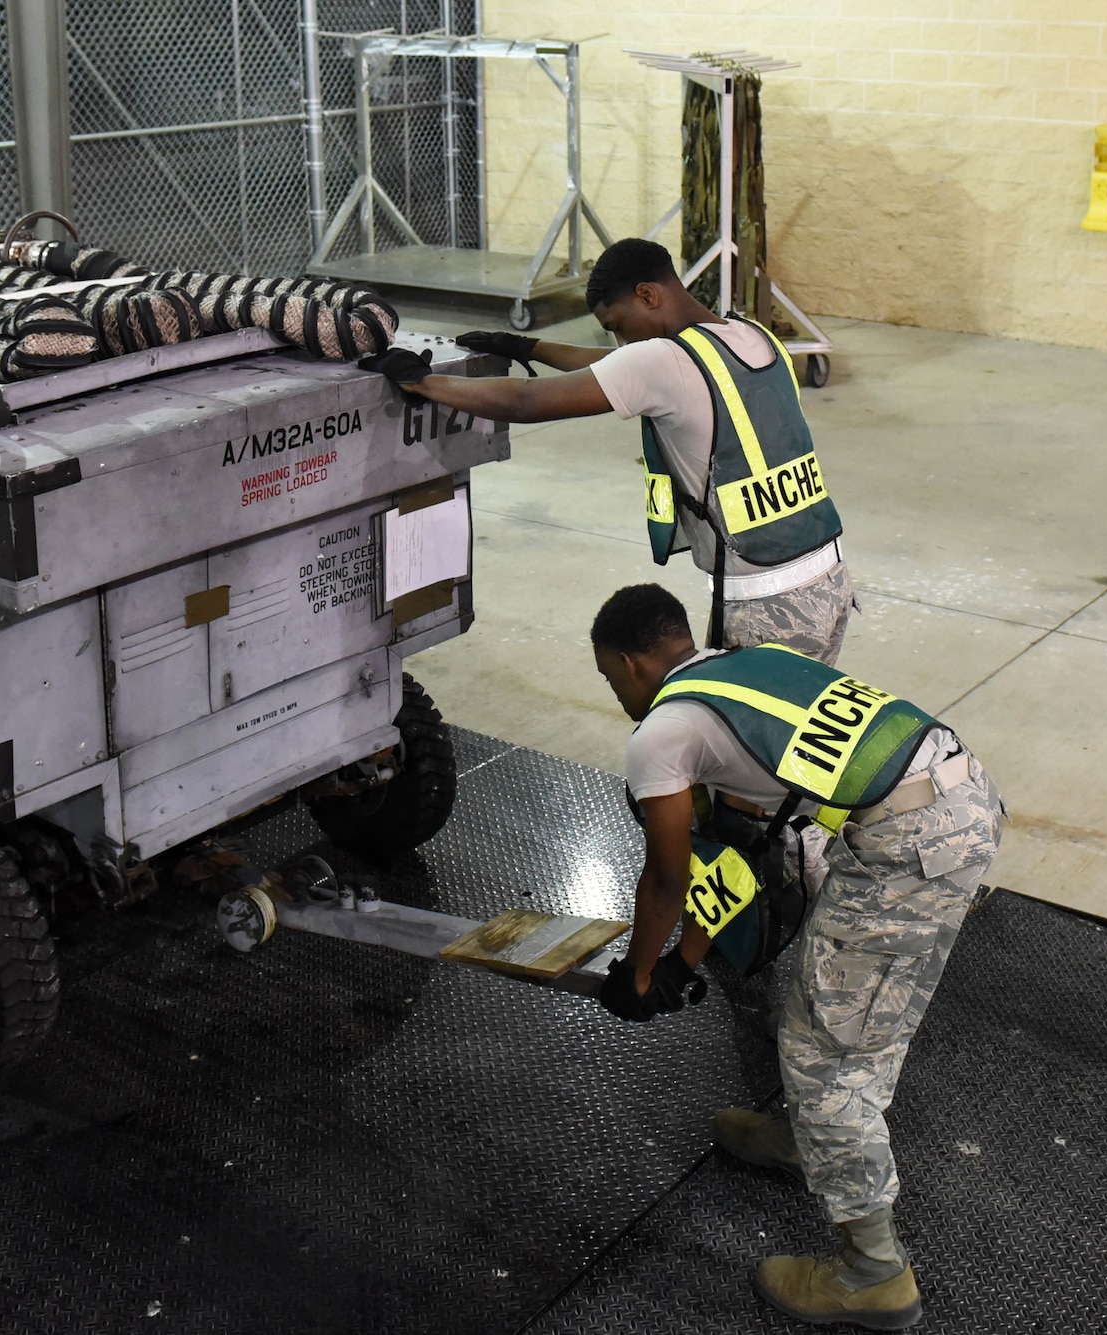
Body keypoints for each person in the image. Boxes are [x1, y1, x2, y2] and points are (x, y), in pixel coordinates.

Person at [589, 583, 1002, 1330]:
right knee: (842, 1001)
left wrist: (639, 973)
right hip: (960, 791)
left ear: (629, 662)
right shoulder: (753, 668)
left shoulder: (661, 734)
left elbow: (667, 874)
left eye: (610, 678)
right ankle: (810, 1140)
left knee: (829, 1055)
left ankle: (875, 1273)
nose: (616, 693)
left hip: (905, 842)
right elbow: (746, 856)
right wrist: (684, 960)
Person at [367, 236, 854, 665]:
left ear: (648, 294)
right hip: (827, 580)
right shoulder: (749, 333)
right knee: (793, 746)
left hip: (766, 608)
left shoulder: (664, 361)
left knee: (748, 758)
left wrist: (426, 383)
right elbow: (620, 364)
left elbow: (527, 400)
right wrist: (528, 346)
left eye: (617, 323)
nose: (619, 339)